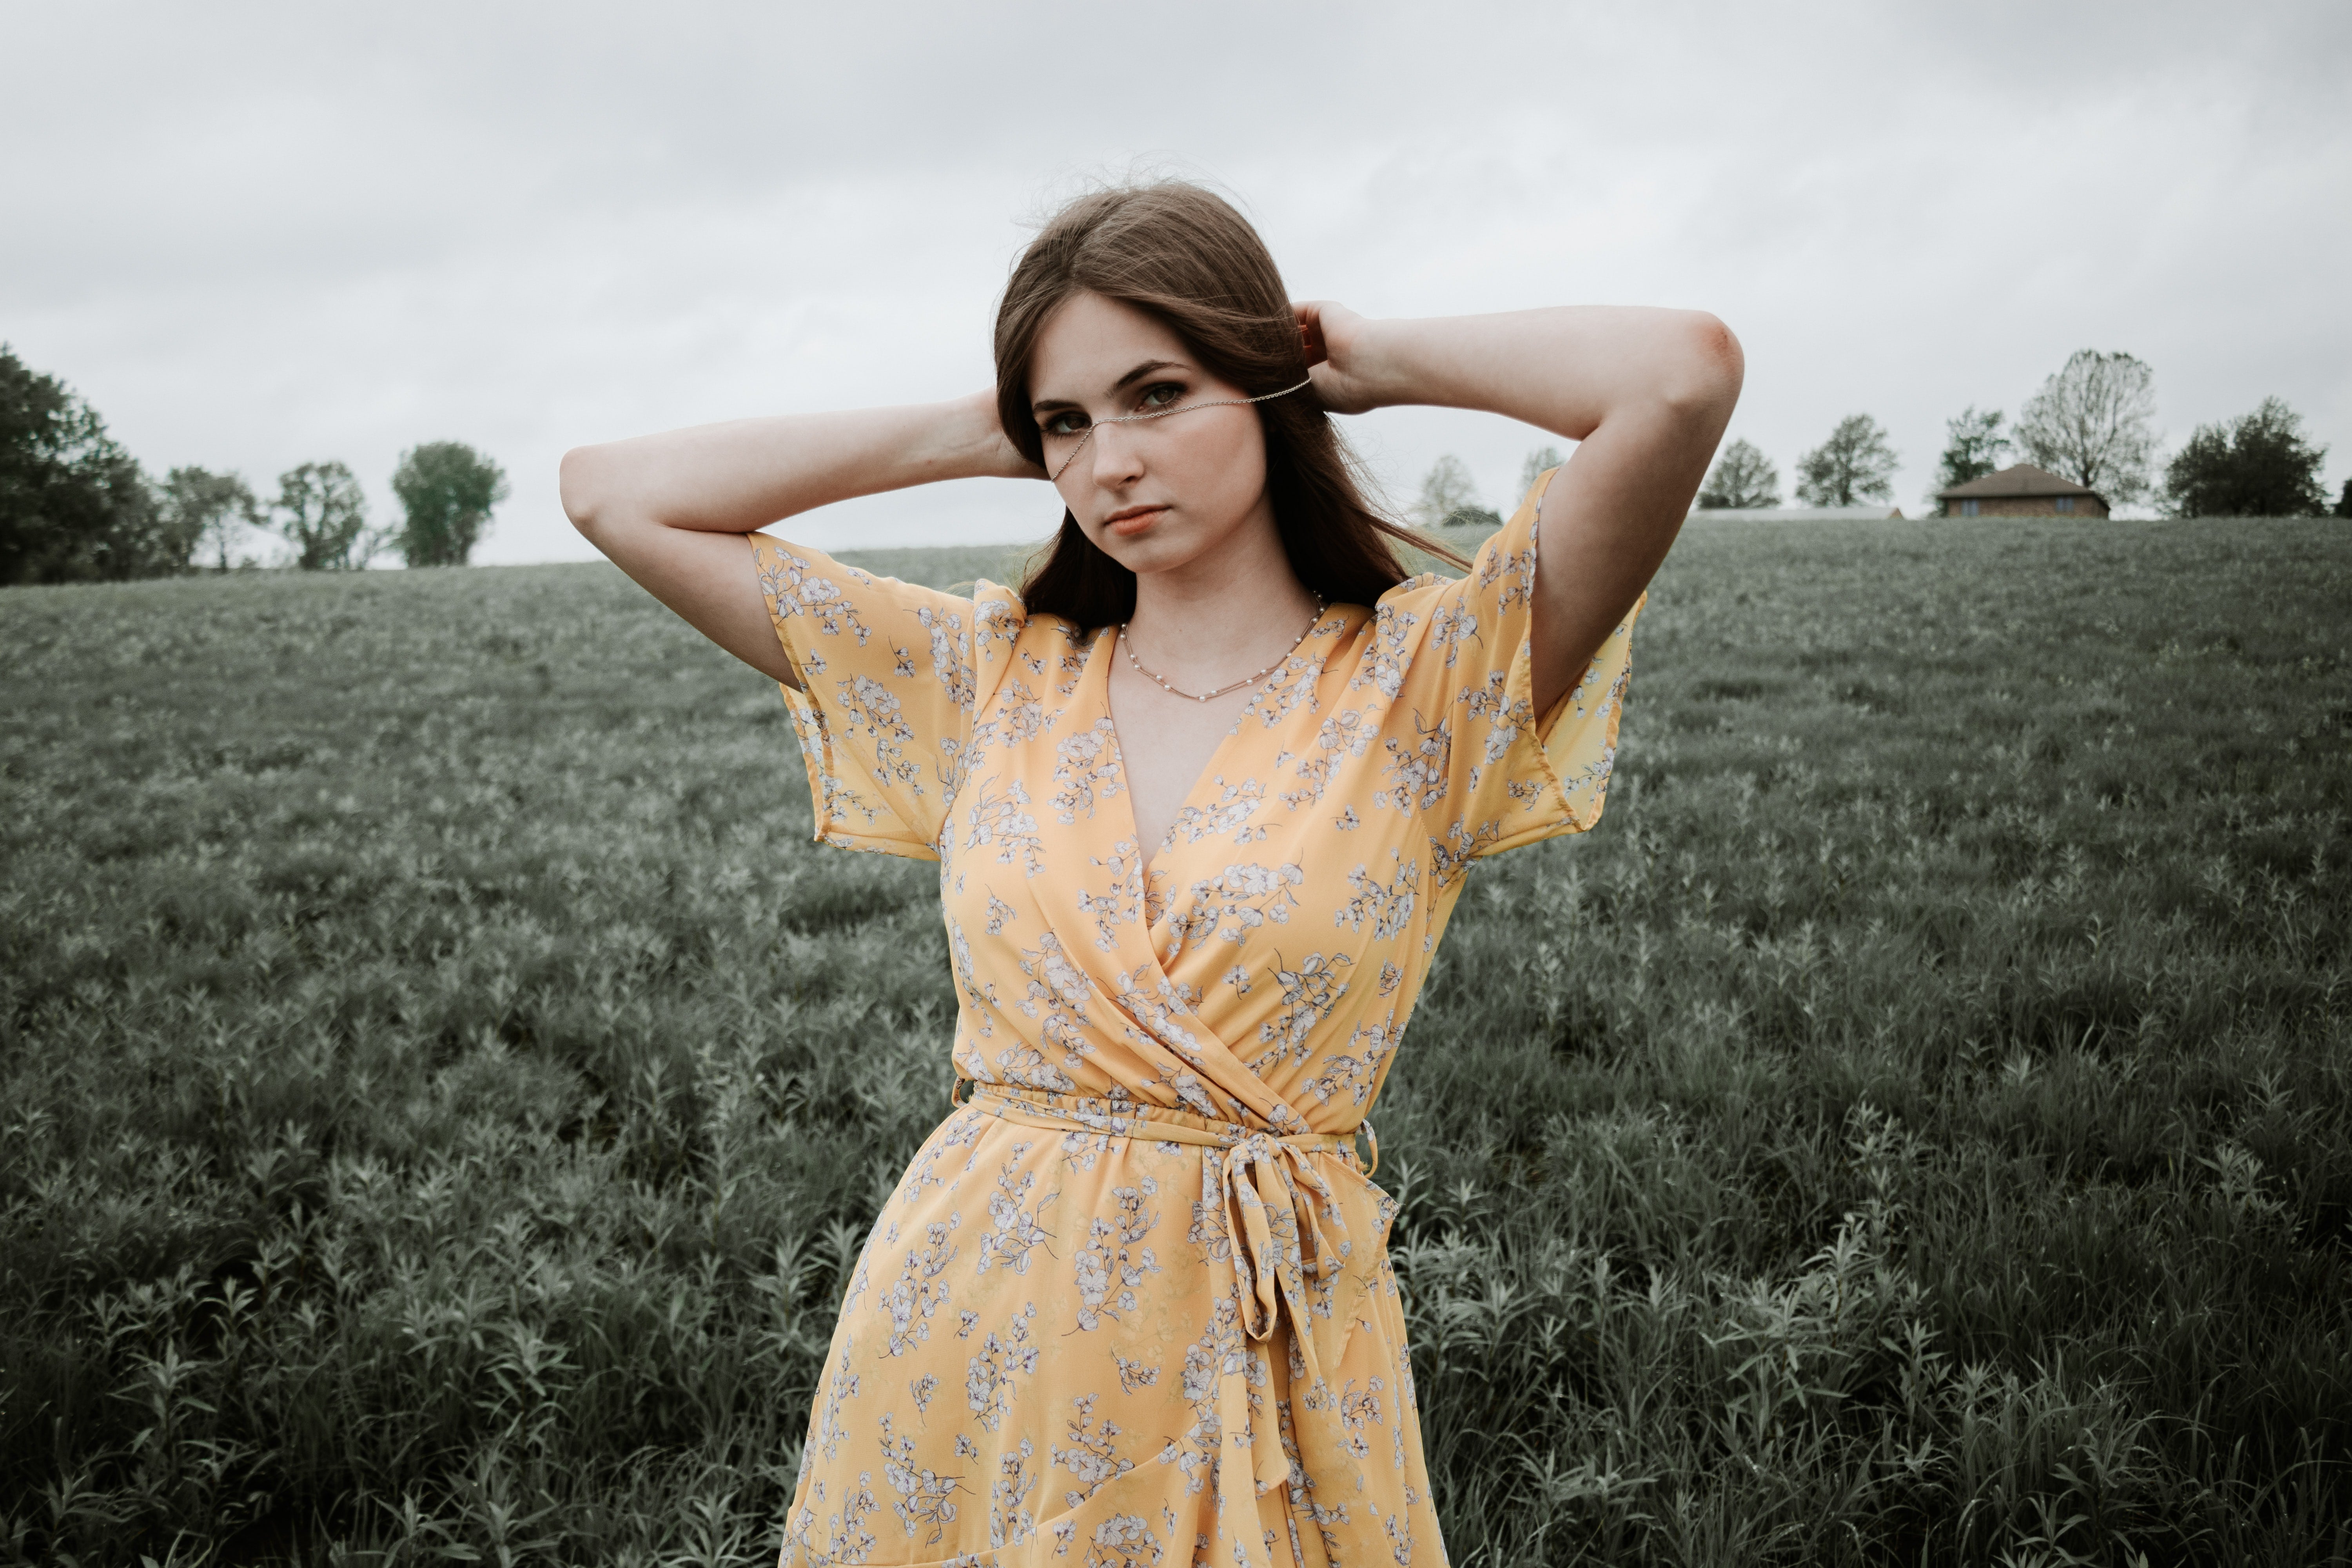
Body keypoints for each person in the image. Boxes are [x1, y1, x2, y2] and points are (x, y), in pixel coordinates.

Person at [561, 180, 1739, 1568]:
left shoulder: (1434, 684)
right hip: (963, 1340)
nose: (1110, 459)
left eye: (1159, 392)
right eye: (1069, 422)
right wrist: (983, 430)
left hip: (1262, 1344)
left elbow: (1680, 376)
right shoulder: (985, 677)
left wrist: (1368, 358)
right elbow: (613, 492)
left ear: (1262, 383)